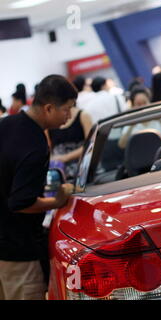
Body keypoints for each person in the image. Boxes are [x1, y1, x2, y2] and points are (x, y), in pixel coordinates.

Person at [0, 74, 75, 300]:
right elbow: (21, 203)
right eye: (67, 109)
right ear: (49, 108)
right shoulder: (35, 144)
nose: (69, 116)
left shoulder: (6, 123)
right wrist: (57, 201)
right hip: (19, 252)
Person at [48, 82, 93, 182]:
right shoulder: (50, 119)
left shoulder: (83, 115)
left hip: (82, 170)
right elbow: (48, 147)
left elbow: (91, 146)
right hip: (59, 172)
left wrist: (65, 157)